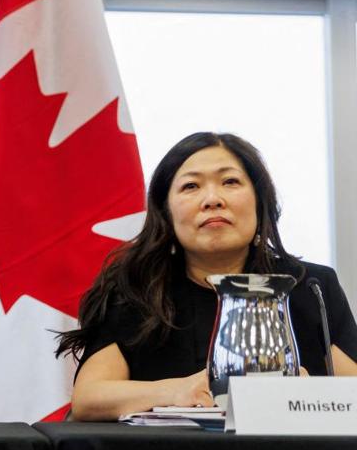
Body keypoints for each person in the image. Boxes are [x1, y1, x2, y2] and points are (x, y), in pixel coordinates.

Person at [58, 132, 357, 421]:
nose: (212, 199)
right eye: (191, 187)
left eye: (230, 182)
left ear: (259, 202)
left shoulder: (308, 285)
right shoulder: (138, 288)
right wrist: (179, 390)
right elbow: (89, 398)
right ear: (166, 212)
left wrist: (313, 394)